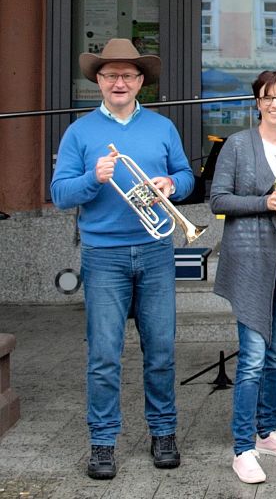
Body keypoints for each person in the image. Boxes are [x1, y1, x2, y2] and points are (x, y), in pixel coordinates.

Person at [50, 38, 193, 480]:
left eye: (128, 75)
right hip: (103, 255)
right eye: (110, 75)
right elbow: (59, 194)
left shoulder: (162, 128)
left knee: (162, 351)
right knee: (105, 355)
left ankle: (164, 432)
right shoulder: (79, 132)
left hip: (154, 250)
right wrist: (92, 179)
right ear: (97, 80)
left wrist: (170, 184)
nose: (119, 82)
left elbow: (188, 177)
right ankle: (103, 442)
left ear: (140, 83)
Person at [210, 70, 276, 484]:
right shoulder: (238, 145)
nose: (275, 103)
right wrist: (265, 201)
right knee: (252, 358)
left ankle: (268, 431)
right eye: (267, 97)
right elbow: (218, 199)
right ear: (257, 102)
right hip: (253, 261)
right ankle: (242, 447)